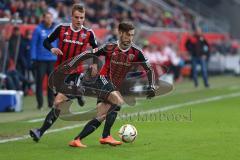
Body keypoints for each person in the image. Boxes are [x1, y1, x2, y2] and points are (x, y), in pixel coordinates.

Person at [65, 21, 155, 148]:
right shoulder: (109, 47)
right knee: (118, 101)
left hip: (114, 85)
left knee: (101, 116)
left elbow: (149, 69)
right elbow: (89, 53)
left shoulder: (136, 52)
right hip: (102, 80)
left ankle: (77, 139)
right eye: (128, 35)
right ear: (120, 33)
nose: (130, 38)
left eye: (132, 35)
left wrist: (151, 86)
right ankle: (106, 136)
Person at [29, 4, 98, 142]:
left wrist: (95, 64)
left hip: (75, 72)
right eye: (77, 17)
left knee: (59, 101)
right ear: (71, 17)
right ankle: (78, 94)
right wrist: (52, 49)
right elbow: (46, 41)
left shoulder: (88, 33)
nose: (79, 20)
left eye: (82, 18)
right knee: (58, 104)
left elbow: (96, 48)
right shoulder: (61, 29)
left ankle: (39, 132)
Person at [31, 11, 57, 109]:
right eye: (47, 17)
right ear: (43, 19)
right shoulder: (38, 29)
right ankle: (40, 104)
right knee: (39, 82)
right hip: (40, 60)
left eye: (50, 17)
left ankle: (51, 103)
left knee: (51, 83)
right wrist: (33, 58)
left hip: (52, 59)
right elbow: (33, 44)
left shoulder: (55, 30)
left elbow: (58, 44)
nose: (49, 19)